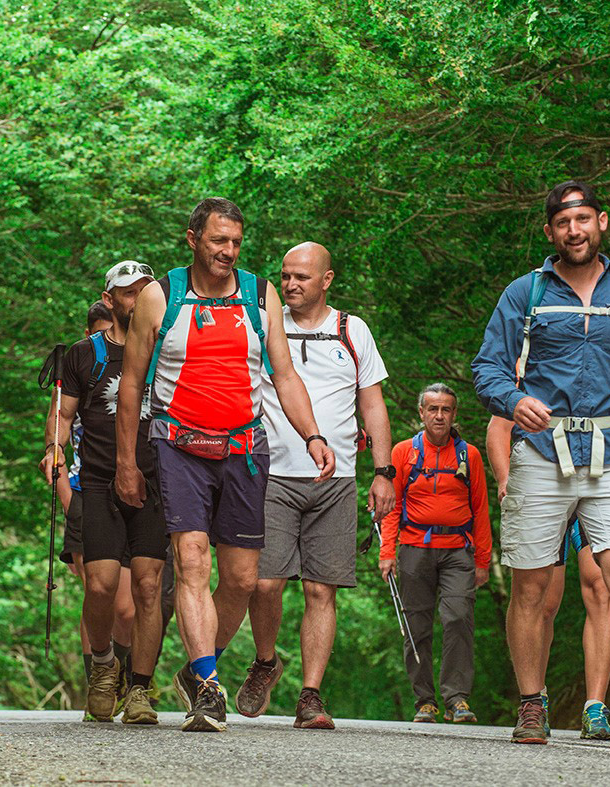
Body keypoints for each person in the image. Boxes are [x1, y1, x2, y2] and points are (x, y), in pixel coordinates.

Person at [115, 198, 335, 733]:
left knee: (241, 579)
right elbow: (131, 384)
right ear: (193, 239)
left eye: (235, 242)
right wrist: (127, 461)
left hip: (243, 450)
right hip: (178, 445)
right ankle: (209, 688)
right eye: (218, 241)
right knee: (191, 563)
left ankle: (197, 666)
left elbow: (283, 375)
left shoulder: (261, 296)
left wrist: (313, 435)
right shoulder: (159, 296)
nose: (228, 252)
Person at [471, 180, 610, 749]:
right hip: (540, 452)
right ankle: (531, 705)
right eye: (563, 222)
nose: (574, 230)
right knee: (531, 588)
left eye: (583, 219)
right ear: (549, 231)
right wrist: (513, 402)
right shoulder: (525, 293)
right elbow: (486, 369)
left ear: (601, 222)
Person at [236, 242, 394, 729]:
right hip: (271, 472)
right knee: (265, 583)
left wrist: (384, 471)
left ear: (326, 280)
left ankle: (310, 696)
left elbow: (372, 404)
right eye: (285, 276)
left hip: (337, 477)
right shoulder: (263, 325)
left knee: (321, 590)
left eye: (302, 276)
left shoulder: (352, 330)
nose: (290, 284)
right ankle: (265, 662)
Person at [41, 262, 166, 725]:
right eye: (127, 293)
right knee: (101, 585)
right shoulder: (83, 354)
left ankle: (139, 689)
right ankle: (101, 664)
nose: (136, 299)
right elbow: (62, 415)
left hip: (156, 482)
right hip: (96, 481)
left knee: (149, 589)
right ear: (109, 299)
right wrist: (54, 446)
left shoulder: (168, 350)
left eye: (143, 291)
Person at [487, 415, 610, 741]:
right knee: (544, 602)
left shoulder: (602, 375)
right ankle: (535, 700)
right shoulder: (530, 370)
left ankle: (595, 708)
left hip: (595, 480)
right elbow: (498, 428)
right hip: (546, 483)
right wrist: (506, 481)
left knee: (602, 587)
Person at [378, 384, 491, 724]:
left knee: (458, 618)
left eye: (446, 410)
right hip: (415, 550)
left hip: (458, 550)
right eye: (433, 409)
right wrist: (387, 551)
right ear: (422, 413)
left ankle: (457, 698)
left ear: (454, 414)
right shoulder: (403, 453)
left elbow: (481, 510)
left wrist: (483, 561)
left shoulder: (468, 455)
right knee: (416, 626)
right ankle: (425, 701)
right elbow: (392, 506)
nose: (439, 415)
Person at [56, 302, 136, 704]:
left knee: (127, 606)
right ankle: (98, 682)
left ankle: (120, 671)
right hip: (84, 494)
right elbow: (52, 457)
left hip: (130, 492)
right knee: (96, 591)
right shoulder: (81, 367)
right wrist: (72, 504)